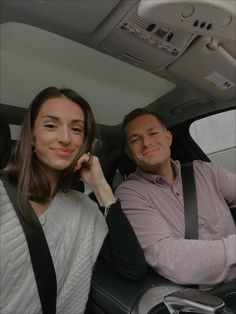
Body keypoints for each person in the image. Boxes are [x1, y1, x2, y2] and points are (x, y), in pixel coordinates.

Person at [0, 87, 146, 314]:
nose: (65, 138)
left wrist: (101, 187)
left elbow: (133, 269)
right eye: (50, 125)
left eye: (76, 129)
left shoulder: (85, 209)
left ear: (84, 143)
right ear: (31, 135)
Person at [115, 107, 236, 288]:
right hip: (206, 299)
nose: (146, 143)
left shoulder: (206, 171)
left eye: (153, 133)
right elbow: (169, 257)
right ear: (129, 152)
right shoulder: (129, 194)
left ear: (168, 138)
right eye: (135, 139)